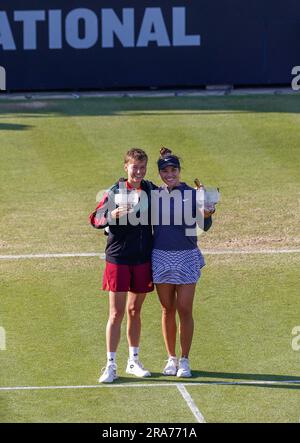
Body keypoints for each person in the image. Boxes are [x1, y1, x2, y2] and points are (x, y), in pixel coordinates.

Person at [89, 148, 155, 383]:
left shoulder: (150, 189)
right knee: (116, 313)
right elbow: (94, 218)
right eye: (134, 167)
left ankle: (133, 361)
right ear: (125, 167)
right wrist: (110, 217)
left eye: (142, 167)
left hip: (142, 259)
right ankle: (110, 365)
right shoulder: (114, 191)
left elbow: (173, 198)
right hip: (118, 259)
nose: (138, 171)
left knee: (134, 311)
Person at [152, 147, 215, 378]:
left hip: (186, 255)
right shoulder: (154, 194)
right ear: (160, 173)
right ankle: (171, 358)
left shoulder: (192, 193)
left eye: (174, 170)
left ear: (179, 171)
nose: (170, 174)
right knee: (167, 309)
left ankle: (185, 360)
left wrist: (207, 215)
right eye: (165, 170)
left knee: (185, 309)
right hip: (160, 256)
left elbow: (205, 226)